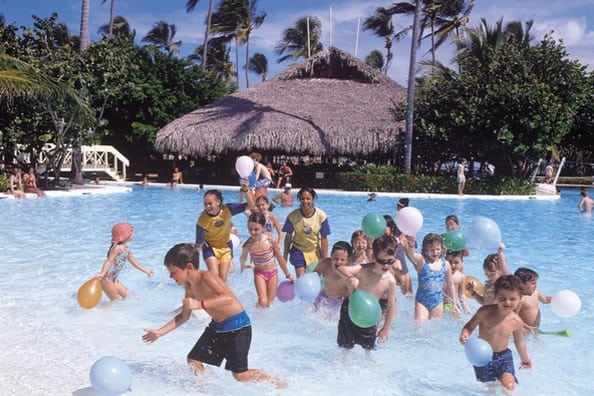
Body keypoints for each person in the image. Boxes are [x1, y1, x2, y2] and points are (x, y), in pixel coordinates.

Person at [142, 243, 284, 386]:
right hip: (217, 327)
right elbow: (183, 317)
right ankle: (207, 388)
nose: (171, 276)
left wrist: (199, 304)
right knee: (193, 360)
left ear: (189, 267)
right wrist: (159, 333)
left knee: (240, 375)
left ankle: (274, 380)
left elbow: (228, 298)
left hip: (238, 327)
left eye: (173, 272)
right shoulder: (189, 287)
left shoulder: (208, 277)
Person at [459, 275, 531, 392]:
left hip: (504, 356)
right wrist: (464, 335)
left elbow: (519, 342)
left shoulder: (516, 321)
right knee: (491, 389)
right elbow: (469, 326)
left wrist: (525, 359)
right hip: (482, 356)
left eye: (512, 299)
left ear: (520, 298)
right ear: (495, 296)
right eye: (502, 298)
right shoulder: (485, 312)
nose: (507, 302)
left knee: (509, 386)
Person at [337, 235, 397, 352]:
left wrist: (386, 328)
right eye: (382, 261)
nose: (386, 265)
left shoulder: (390, 281)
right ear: (374, 257)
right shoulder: (363, 269)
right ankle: (344, 364)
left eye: (390, 261)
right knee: (345, 346)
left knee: (369, 347)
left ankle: (369, 365)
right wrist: (350, 277)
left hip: (370, 314)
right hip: (350, 310)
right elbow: (341, 269)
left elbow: (391, 306)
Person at [195, 183, 255, 282]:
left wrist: (246, 190)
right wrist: (192, 265)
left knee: (223, 279)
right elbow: (198, 245)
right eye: (205, 204)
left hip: (225, 247)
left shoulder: (228, 209)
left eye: (210, 203)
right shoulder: (202, 220)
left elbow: (251, 205)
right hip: (210, 248)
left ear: (218, 202)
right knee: (214, 277)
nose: (207, 206)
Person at [240, 213, 294, 308]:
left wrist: (287, 274)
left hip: (272, 273)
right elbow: (243, 257)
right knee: (262, 301)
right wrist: (243, 265)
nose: (253, 232)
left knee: (269, 303)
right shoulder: (247, 245)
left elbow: (280, 258)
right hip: (259, 274)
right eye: (250, 229)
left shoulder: (270, 241)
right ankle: (256, 318)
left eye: (256, 229)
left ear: (263, 227)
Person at [403, 232, 459, 321]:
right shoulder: (422, 261)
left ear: (442, 249)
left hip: (438, 302)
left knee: (435, 329)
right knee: (420, 326)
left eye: (437, 249)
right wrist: (411, 244)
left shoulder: (446, 265)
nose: (435, 252)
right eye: (432, 250)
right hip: (422, 301)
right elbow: (411, 255)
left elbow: (450, 285)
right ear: (426, 249)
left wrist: (454, 303)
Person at [96, 222, 154, 300]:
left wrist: (146, 270)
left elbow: (135, 263)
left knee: (131, 297)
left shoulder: (127, 250)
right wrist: (102, 273)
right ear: (125, 236)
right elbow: (109, 261)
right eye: (131, 233)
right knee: (116, 302)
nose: (132, 234)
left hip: (114, 280)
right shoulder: (117, 248)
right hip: (107, 281)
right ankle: (100, 310)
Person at [282, 187, 330, 277]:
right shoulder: (292, 216)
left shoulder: (321, 216)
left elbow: (324, 239)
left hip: (315, 251)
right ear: (299, 200)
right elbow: (288, 237)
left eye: (308, 198)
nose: (305, 201)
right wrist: (285, 256)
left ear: (313, 199)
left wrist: (325, 259)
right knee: (301, 278)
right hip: (298, 250)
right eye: (302, 198)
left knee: (315, 278)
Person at [311, 241, 356, 320]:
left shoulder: (351, 271)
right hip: (323, 297)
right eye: (335, 258)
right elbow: (312, 277)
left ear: (348, 260)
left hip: (340, 302)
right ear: (331, 255)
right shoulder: (325, 263)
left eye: (342, 260)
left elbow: (353, 293)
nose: (338, 262)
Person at [383, 215, 412, 296]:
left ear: (391, 228)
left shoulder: (398, 241)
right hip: (391, 271)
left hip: (402, 271)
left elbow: (409, 254)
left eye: (385, 227)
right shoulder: (380, 242)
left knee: (408, 294)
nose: (382, 230)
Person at [444, 250, 471, 314]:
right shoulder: (442, 275)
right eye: (450, 262)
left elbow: (462, 295)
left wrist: (466, 309)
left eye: (456, 262)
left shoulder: (461, 277)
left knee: (458, 316)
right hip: (443, 305)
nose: (453, 265)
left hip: (453, 304)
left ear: (462, 262)